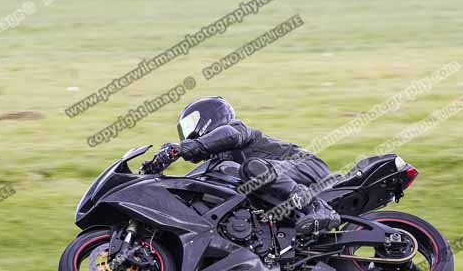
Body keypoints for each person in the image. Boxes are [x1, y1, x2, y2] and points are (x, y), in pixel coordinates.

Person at [141, 96, 340, 235]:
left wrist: (182, 148)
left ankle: (318, 208)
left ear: (208, 118)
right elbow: (192, 183)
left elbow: (229, 136)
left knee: (252, 167)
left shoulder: (236, 130)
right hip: (287, 177)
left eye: (190, 126)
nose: (188, 133)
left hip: (307, 166)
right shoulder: (220, 161)